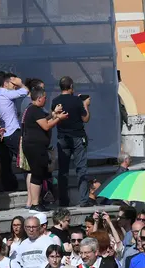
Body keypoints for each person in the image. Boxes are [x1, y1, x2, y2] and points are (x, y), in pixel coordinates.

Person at [21, 86, 68, 212]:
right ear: (40, 98)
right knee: (37, 174)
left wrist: (54, 114)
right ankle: (35, 203)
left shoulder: (33, 110)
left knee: (39, 174)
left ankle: (36, 202)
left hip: (34, 146)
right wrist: (58, 118)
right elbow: (46, 126)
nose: (46, 100)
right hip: (35, 147)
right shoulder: (34, 110)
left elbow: (44, 119)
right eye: (45, 98)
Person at [53, 76, 93, 207]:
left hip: (62, 138)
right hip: (77, 137)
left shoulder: (55, 101)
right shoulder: (77, 101)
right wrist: (85, 105)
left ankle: (63, 200)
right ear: (71, 86)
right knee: (81, 169)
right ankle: (83, 200)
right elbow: (85, 118)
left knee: (63, 170)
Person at [0, 72, 29, 191]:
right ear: (5, 83)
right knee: (24, 159)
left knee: (5, 163)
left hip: (3, 133)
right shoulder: (5, 93)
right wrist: (21, 83)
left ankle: (8, 186)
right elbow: (25, 92)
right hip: (13, 131)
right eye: (12, 83)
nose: (15, 86)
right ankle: (31, 186)